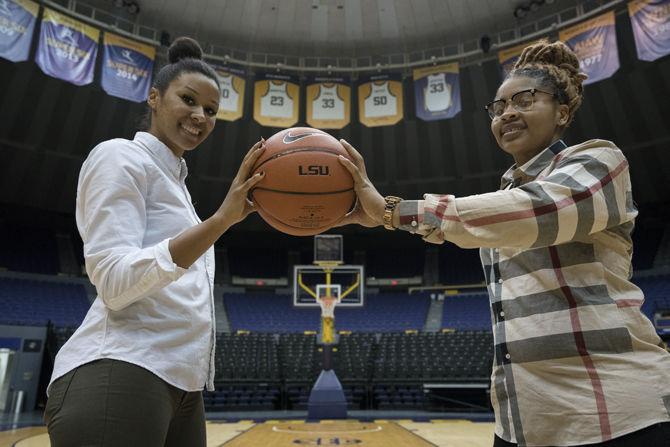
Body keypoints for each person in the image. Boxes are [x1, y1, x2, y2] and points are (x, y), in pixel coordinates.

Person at [336, 39, 670, 446]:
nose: (508, 112)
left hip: (614, 416)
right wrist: (385, 217)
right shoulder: (502, 201)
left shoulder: (599, 161)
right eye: (499, 107)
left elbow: (540, 210)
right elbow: (485, 219)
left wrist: (392, 210)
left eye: (526, 99)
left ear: (562, 112)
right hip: (522, 422)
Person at [44, 37, 266, 446]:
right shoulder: (120, 156)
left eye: (212, 110)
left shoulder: (181, 192)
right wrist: (220, 221)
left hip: (184, 386)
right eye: (188, 99)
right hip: (120, 369)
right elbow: (112, 282)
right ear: (154, 97)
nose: (200, 116)